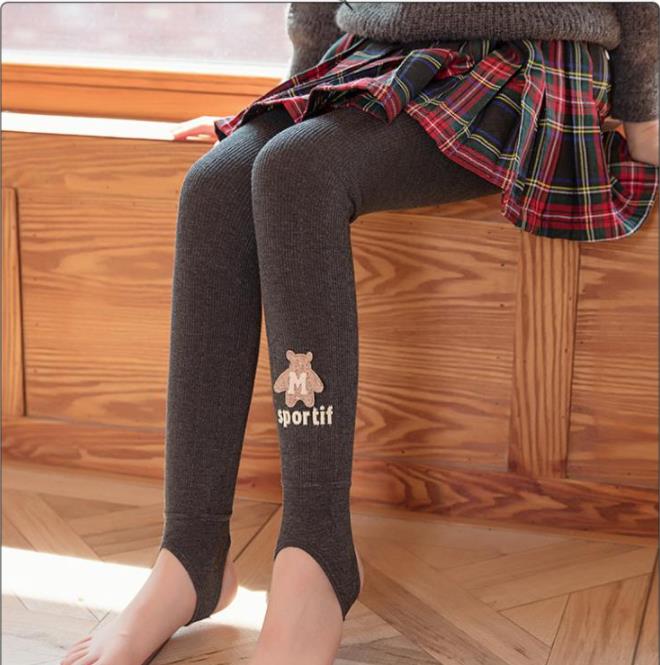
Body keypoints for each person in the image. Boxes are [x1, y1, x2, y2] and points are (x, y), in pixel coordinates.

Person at [61, 2, 658, 665]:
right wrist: (295, 89)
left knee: (296, 171)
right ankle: (189, 555)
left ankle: (315, 555)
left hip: (531, 60)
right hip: (376, 53)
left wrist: (645, 118)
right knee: (216, 184)